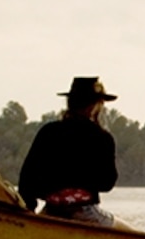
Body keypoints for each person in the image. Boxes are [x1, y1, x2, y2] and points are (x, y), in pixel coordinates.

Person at [19, 75, 121, 225]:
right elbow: (107, 183)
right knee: (121, 228)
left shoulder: (48, 132)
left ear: (70, 103)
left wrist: (29, 211)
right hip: (85, 212)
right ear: (94, 105)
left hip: (51, 210)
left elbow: (27, 180)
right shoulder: (102, 137)